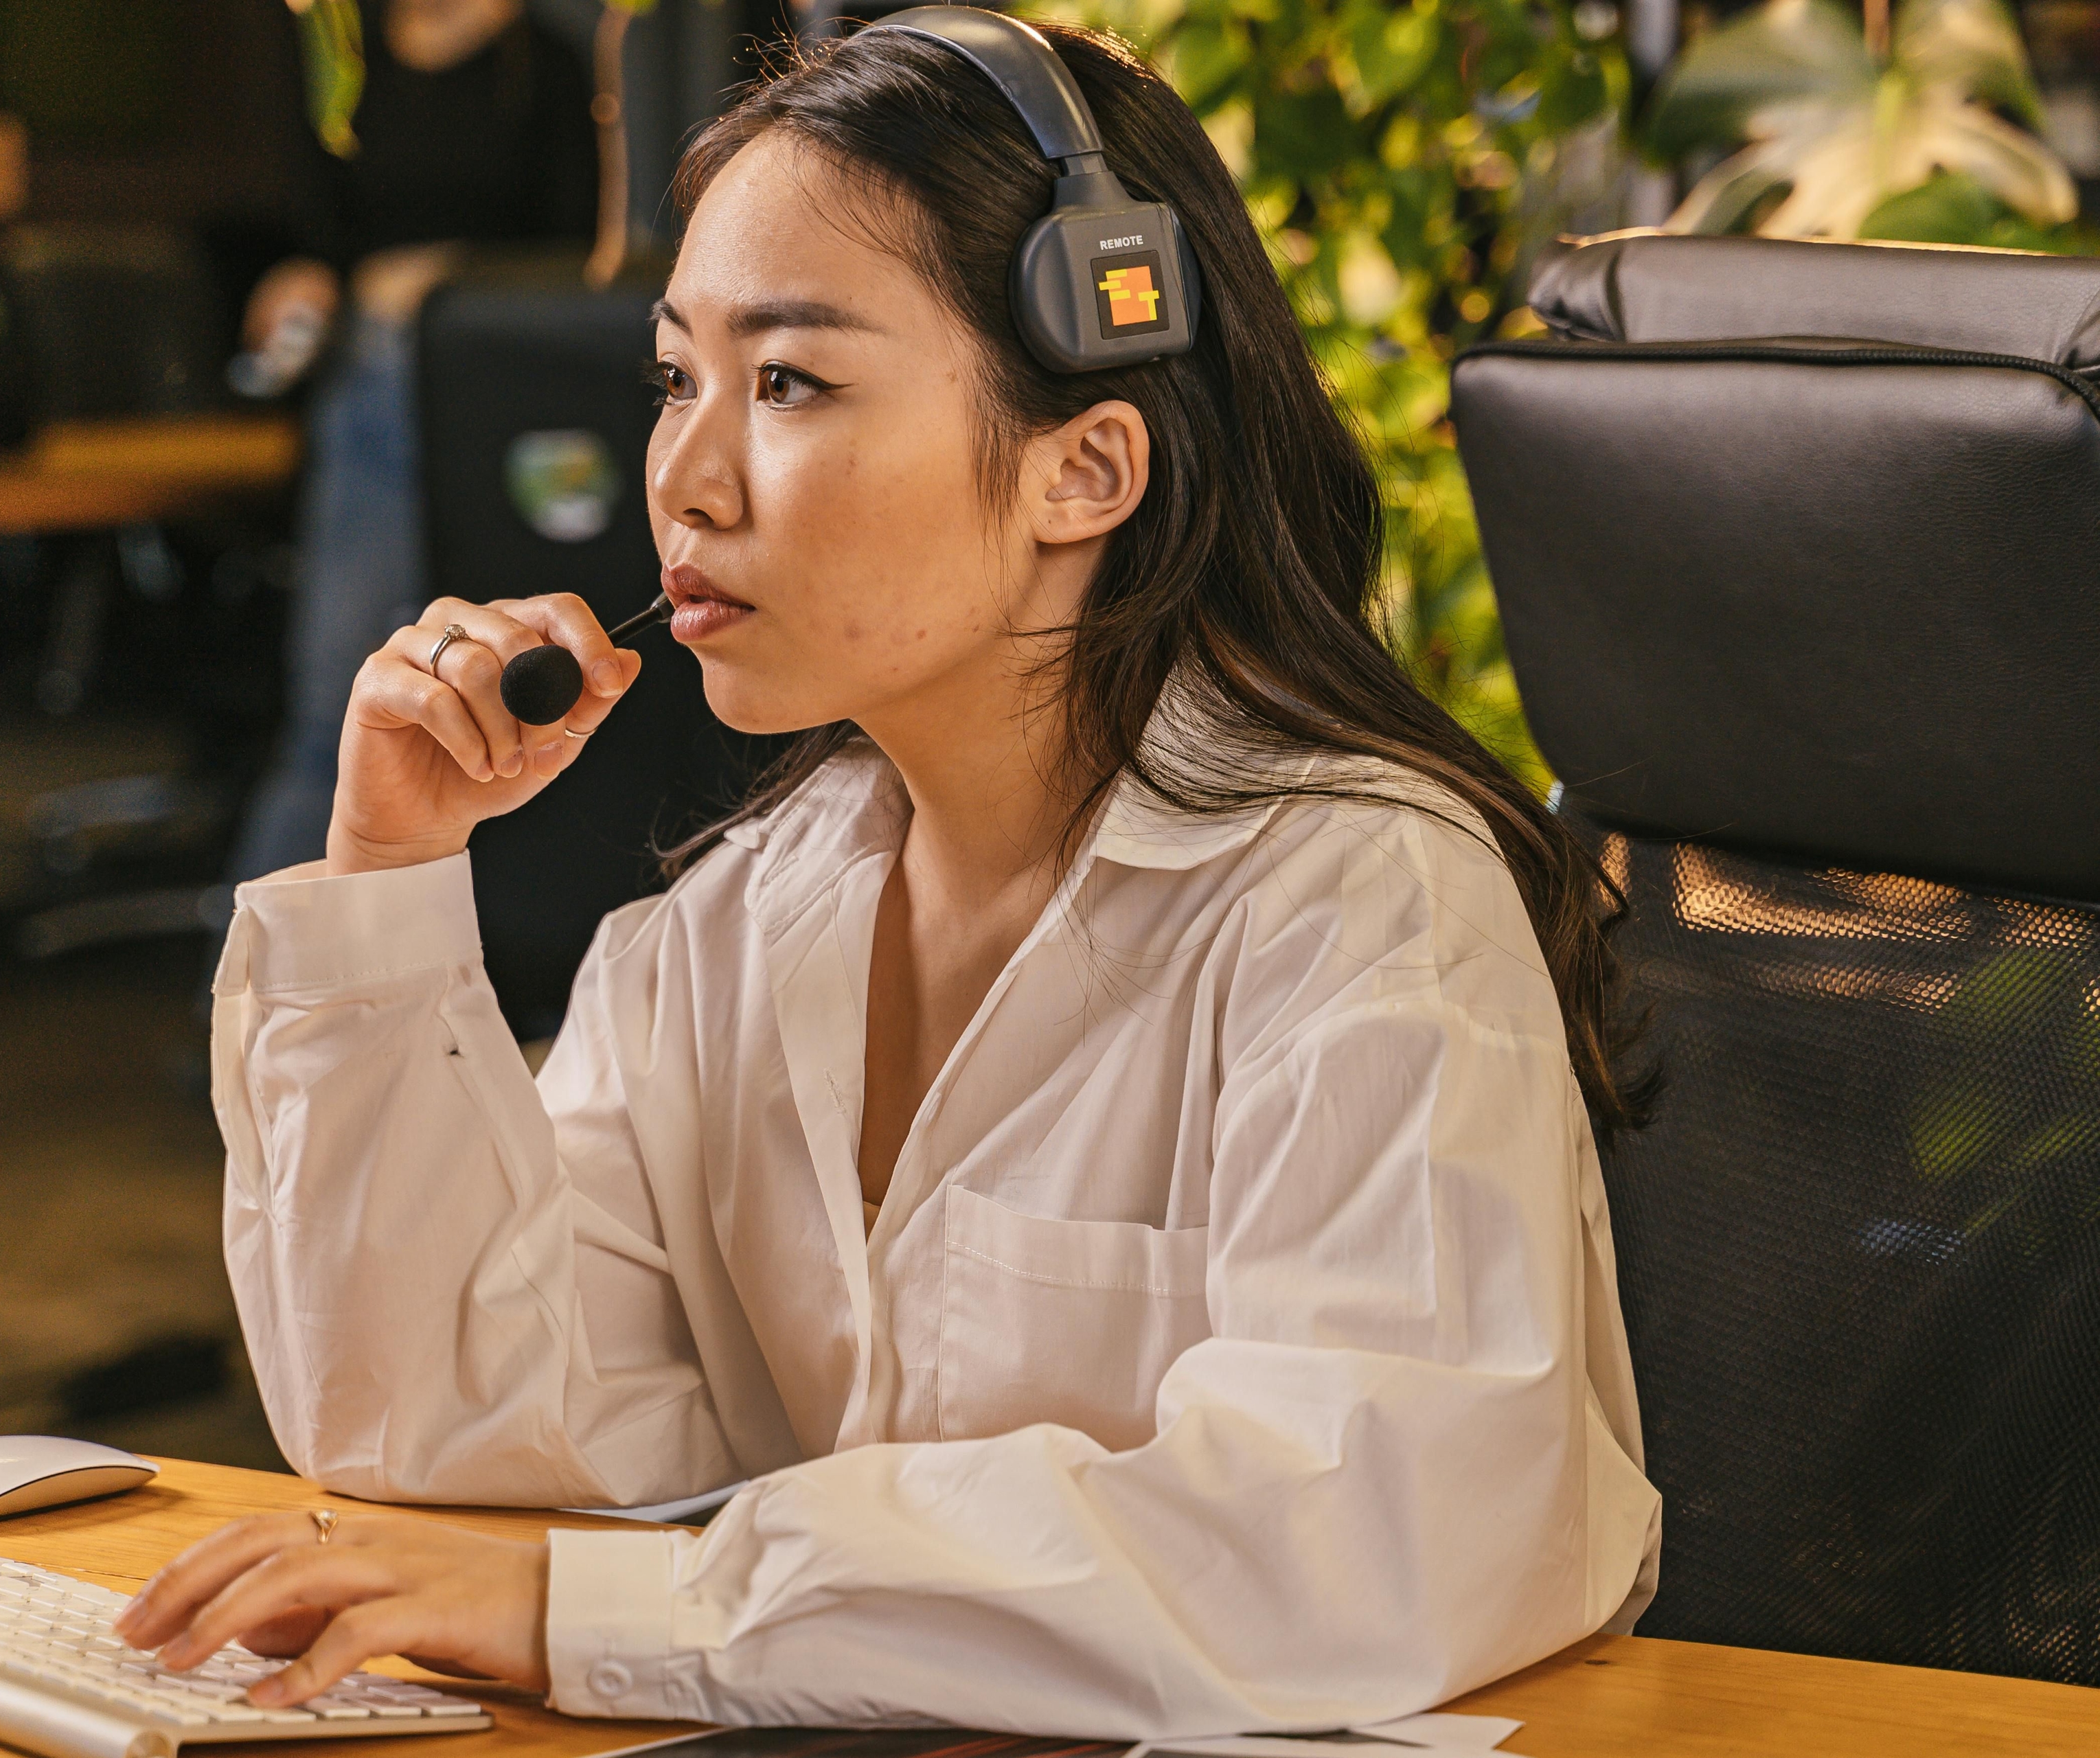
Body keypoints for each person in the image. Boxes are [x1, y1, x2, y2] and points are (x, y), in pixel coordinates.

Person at [117, 19, 1663, 1737]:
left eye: (787, 382)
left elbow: (1358, 1533)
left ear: (1084, 466)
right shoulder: (741, 922)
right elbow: (431, 1426)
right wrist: (388, 875)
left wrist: (627, 1604)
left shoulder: (1357, 901)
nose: (685, 480)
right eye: (673, 377)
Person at [229, 0, 598, 882]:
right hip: (363, 372)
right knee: (341, 715)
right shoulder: (341, 50)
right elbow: (303, 220)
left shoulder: (544, 65)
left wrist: (450, 278)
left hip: (503, 385)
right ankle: (252, 993)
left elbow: (576, 250)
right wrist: (302, 275)